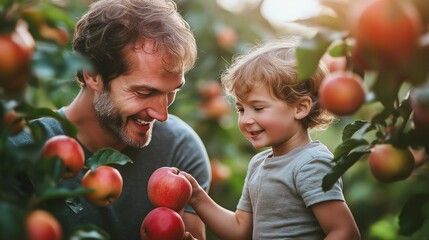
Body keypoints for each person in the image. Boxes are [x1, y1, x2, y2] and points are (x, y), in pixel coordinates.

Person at [8, 0, 210, 239]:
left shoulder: (180, 149)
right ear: (93, 75)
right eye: (144, 93)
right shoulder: (20, 154)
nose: (162, 114)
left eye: (171, 92)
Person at [182, 38, 361, 239]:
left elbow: (344, 232)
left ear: (300, 108)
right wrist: (196, 197)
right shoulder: (258, 164)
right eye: (241, 109)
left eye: (258, 108)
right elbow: (240, 230)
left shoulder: (310, 163)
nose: (246, 119)